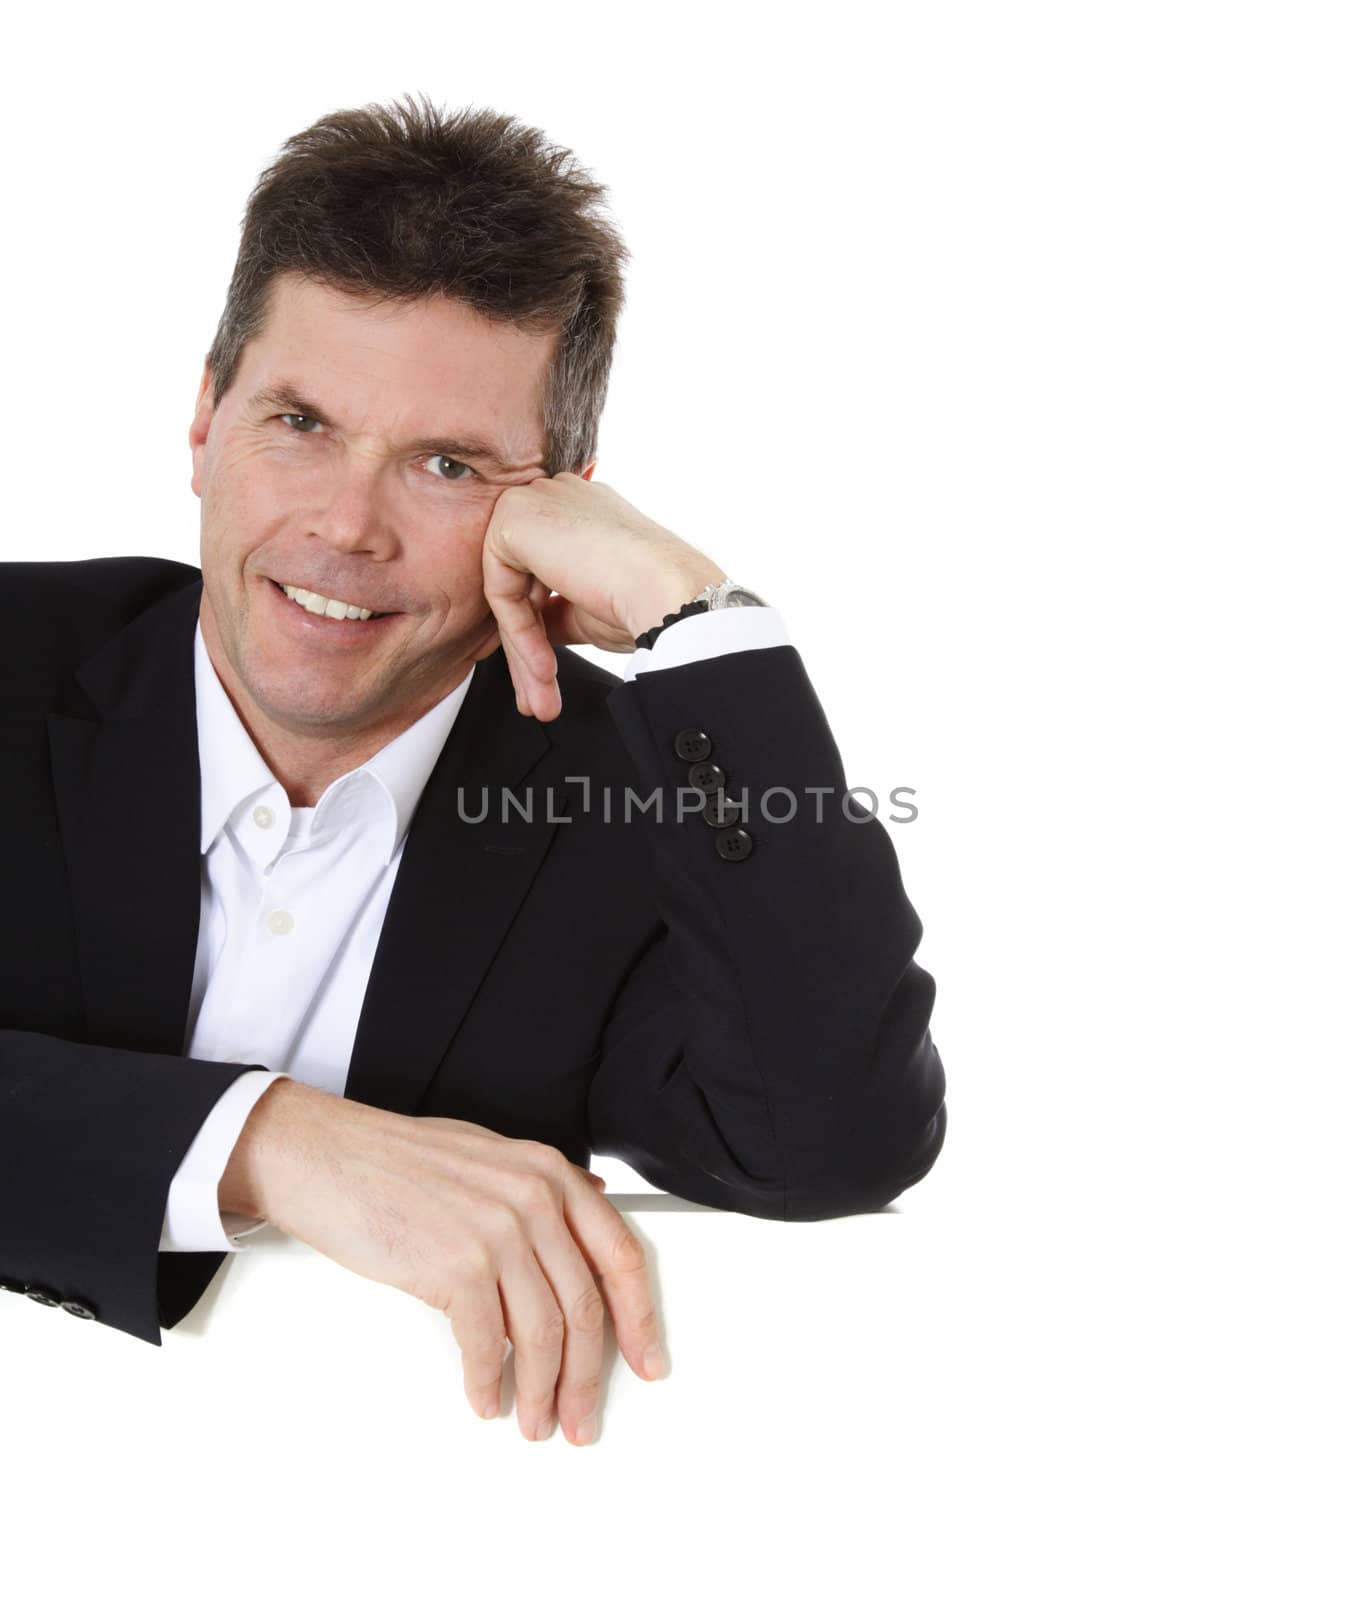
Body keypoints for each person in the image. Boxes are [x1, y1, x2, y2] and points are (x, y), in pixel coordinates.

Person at [0, 93, 947, 1447]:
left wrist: (699, 622)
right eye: (299, 422)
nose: (347, 526)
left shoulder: (633, 810)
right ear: (204, 422)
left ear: (558, 509)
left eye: (449, 466)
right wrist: (277, 1143)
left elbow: (830, 1140)